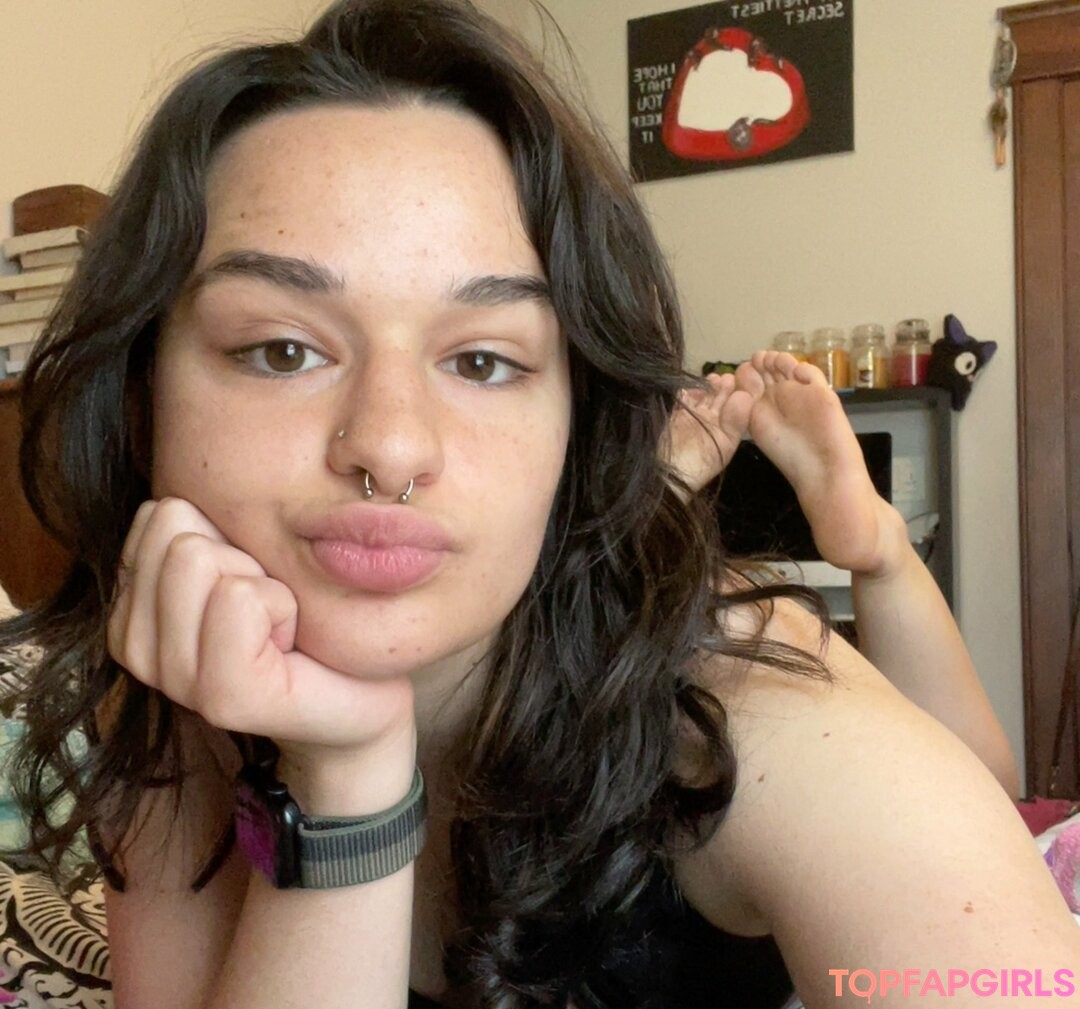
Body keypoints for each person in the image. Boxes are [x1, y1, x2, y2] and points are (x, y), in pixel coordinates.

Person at [1, 2, 1074, 1007]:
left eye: (482, 360)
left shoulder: (756, 732)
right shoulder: (170, 692)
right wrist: (347, 789)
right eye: (282, 350)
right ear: (140, 396)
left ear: (576, 424)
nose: (390, 447)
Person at [666, 352, 1020, 797]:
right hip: (984, 826)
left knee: (714, 617)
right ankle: (886, 548)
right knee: (985, 792)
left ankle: (644, 526)